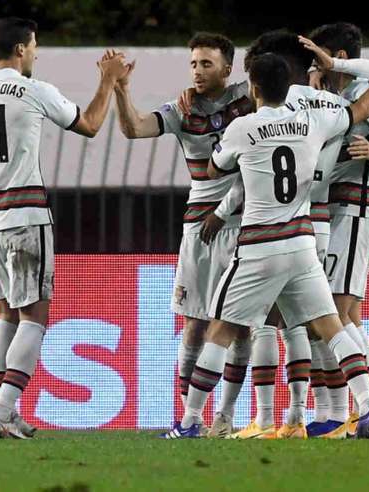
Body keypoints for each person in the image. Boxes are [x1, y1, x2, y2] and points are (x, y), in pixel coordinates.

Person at [0, 17, 130, 439]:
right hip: (25, 215)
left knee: (5, 313)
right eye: (34, 45)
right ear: (21, 49)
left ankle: (5, 410)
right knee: (34, 316)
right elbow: (90, 125)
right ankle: (2, 411)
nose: (36, 53)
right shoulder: (34, 90)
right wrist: (108, 82)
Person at [179, 52, 369, 439]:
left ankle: (191, 420)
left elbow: (214, 169)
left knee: (220, 331)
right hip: (303, 243)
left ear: (254, 88)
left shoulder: (243, 127)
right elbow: (362, 107)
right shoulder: (312, 121)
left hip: (259, 247)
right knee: (331, 328)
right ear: (289, 84)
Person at [108, 33, 254, 438]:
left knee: (242, 325)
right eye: (194, 64)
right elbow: (133, 128)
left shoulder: (251, 98)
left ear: (228, 68)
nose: (198, 71)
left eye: (207, 64)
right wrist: (122, 90)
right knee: (194, 323)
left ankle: (225, 418)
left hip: (245, 221)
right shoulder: (181, 109)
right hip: (201, 228)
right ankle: (191, 417)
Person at [309, 22, 369, 437]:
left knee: (336, 311)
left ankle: (359, 409)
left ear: (339, 57)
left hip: (360, 210)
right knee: (351, 314)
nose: (316, 64)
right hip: (345, 210)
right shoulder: (339, 98)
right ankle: (354, 410)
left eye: (321, 57)